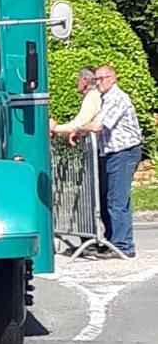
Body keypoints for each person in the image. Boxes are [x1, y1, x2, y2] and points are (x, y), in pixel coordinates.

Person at [71, 65, 142, 258]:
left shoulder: (117, 98)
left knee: (117, 200)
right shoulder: (105, 98)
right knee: (105, 198)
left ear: (113, 78)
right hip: (110, 153)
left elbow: (98, 125)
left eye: (102, 79)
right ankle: (112, 241)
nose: (98, 83)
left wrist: (78, 130)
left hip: (124, 153)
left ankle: (123, 245)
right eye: (97, 79)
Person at [49, 67, 101, 137]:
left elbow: (79, 125)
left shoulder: (92, 96)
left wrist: (54, 128)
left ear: (85, 80)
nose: (76, 83)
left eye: (78, 80)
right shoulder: (96, 94)